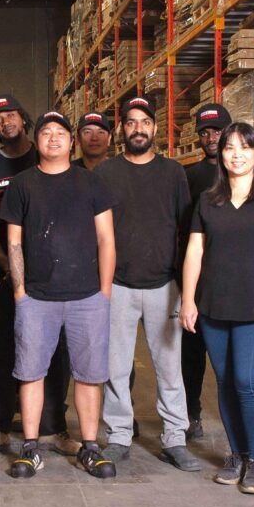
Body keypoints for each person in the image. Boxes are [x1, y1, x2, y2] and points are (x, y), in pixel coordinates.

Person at [180, 122, 254, 495]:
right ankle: (237, 453)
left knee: (248, 381)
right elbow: (194, 251)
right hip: (213, 304)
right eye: (229, 147)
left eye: (244, 147)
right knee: (227, 383)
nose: (236, 154)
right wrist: (187, 299)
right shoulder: (208, 200)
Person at [1, 111, 117, 479]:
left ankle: (90, 447)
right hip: (36, 297)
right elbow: (14, 241)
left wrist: (104, 292)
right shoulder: (22, 185)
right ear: (37, 142)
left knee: (88, 374)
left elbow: (106, 239)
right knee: (30, 372)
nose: (53, 138)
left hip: (87, 296)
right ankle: (31, 446)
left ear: (72, 141)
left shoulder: (91, 183)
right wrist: (20, 291)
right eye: (46, 132)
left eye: (60, 133)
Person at [98, 98, 200, 471]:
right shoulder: (106, 173)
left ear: (155, 129)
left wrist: (185, 287)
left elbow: (188, 231)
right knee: (115, 368)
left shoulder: (173, 173)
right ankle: (120, 435)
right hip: (119, 285)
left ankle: (175, 437)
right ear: (121, 129)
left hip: (164, 286)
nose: (138, 128)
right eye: (131, 122)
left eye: (145, 122)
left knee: (170, 367)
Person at [0, 95, 77, 457]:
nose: (5, 122)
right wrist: (4, 264)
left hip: (53, 278)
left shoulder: (48, 155)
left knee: (55, 353)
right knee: (2, 348)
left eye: (11, 115)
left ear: (24, 118)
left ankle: (52, 428)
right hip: (5, 275)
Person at [181, 102, 231, 439]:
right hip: (198, 279)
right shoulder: (190, 176)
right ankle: (191, 413)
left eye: (216, 130)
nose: (210, 137)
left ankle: (238, 422)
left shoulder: (248, 172)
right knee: (192, 352)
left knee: (233, 358)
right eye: (204, 132)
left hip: (235, 278)